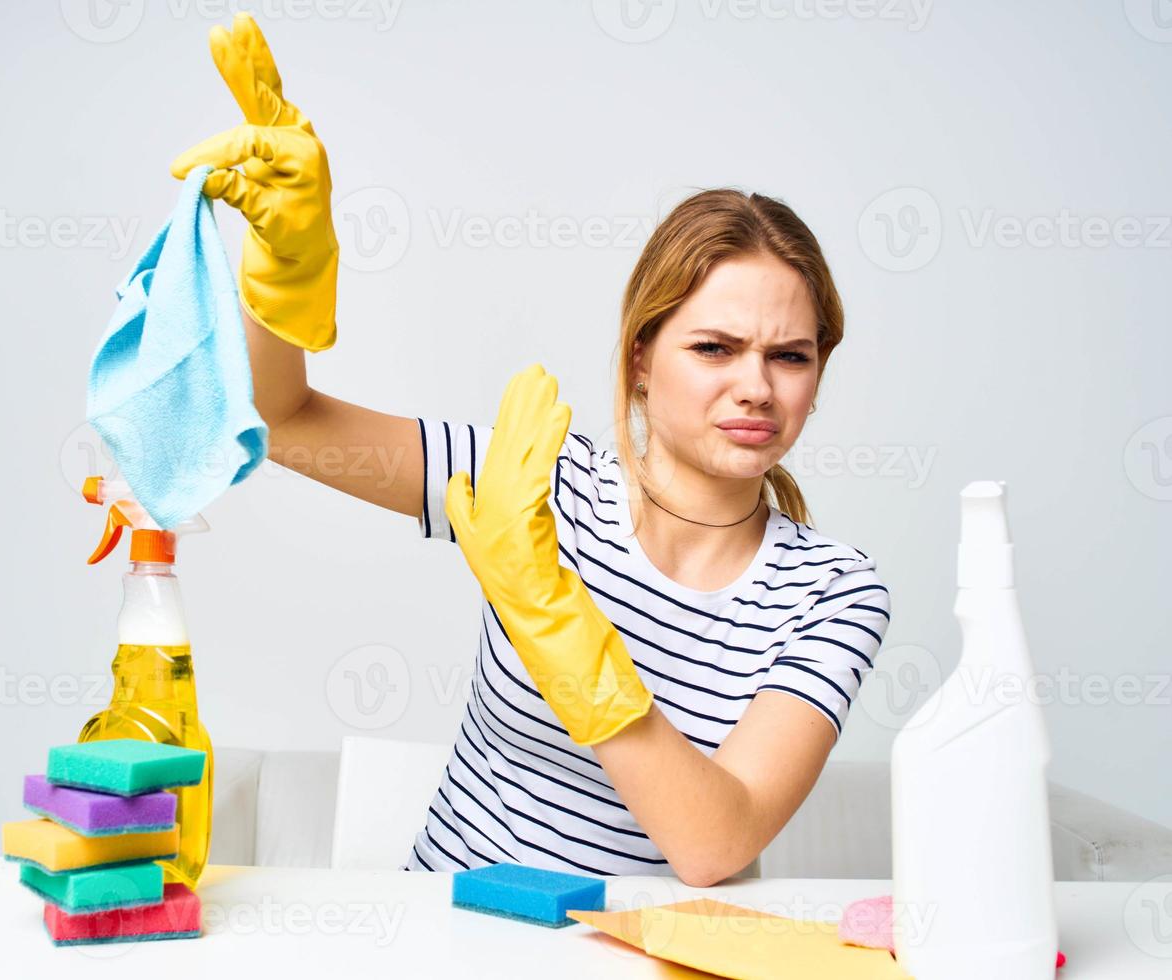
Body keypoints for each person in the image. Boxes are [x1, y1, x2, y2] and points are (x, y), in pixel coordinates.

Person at [174, 14, 890, 887]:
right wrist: (284, 265)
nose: (757, 387)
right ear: (640, 356)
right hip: (447, 939)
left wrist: (557, 619)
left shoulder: (834, 592)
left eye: (790, 355)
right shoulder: (538, 482)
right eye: (714, 348)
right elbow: (277, 420)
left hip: (646, 955)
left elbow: (714, 843)